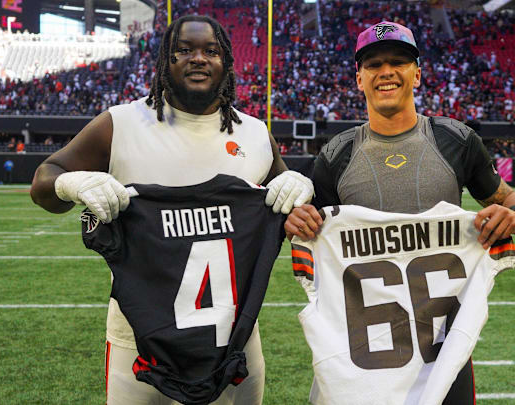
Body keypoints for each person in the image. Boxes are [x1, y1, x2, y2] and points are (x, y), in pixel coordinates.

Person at [30, 15, 313, 405]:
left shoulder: (254, 133)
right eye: (184, 50)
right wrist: (70, 182)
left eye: (210, 51)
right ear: (165, 60)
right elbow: (44, 180)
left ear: (226, 62)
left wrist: (300, 188)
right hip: (140, 337)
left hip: (233, 338)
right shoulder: (122, 123)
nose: (198, 59)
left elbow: (291, 204)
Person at [284, 21, 515, 404]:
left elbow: (507, 198)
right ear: (359, 78)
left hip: (442, 349)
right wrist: (299, 222)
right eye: (374, 64)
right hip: (362, 352)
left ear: (417, 73)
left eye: (398, 61)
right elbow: (313, 231)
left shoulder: (457, 140)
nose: (386, 71)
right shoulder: (336, 154)